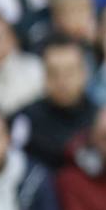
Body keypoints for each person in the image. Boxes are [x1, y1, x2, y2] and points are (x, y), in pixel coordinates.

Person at [11, 35, 96, 169]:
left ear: (83, 74)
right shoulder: (25, 119)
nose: (61, 81)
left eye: (69, 72)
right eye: (53, 73)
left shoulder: (100, 119)